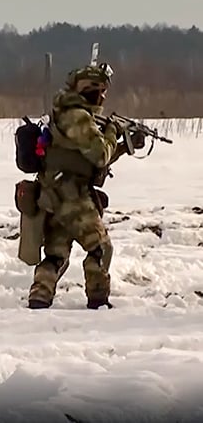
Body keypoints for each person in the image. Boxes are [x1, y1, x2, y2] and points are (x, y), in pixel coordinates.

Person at [28, 62, 145, 310]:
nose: (99, 94)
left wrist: (125, 147)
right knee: (100, 247)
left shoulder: (69, 112)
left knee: (56, 254)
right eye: (93, 88)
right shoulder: (77, 116)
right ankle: (98, 299)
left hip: (54, 193)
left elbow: (89, 160)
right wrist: (113, 132)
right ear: (78, 88)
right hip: (71, 195)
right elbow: (101, 153)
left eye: (103, 89)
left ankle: (40, 296)